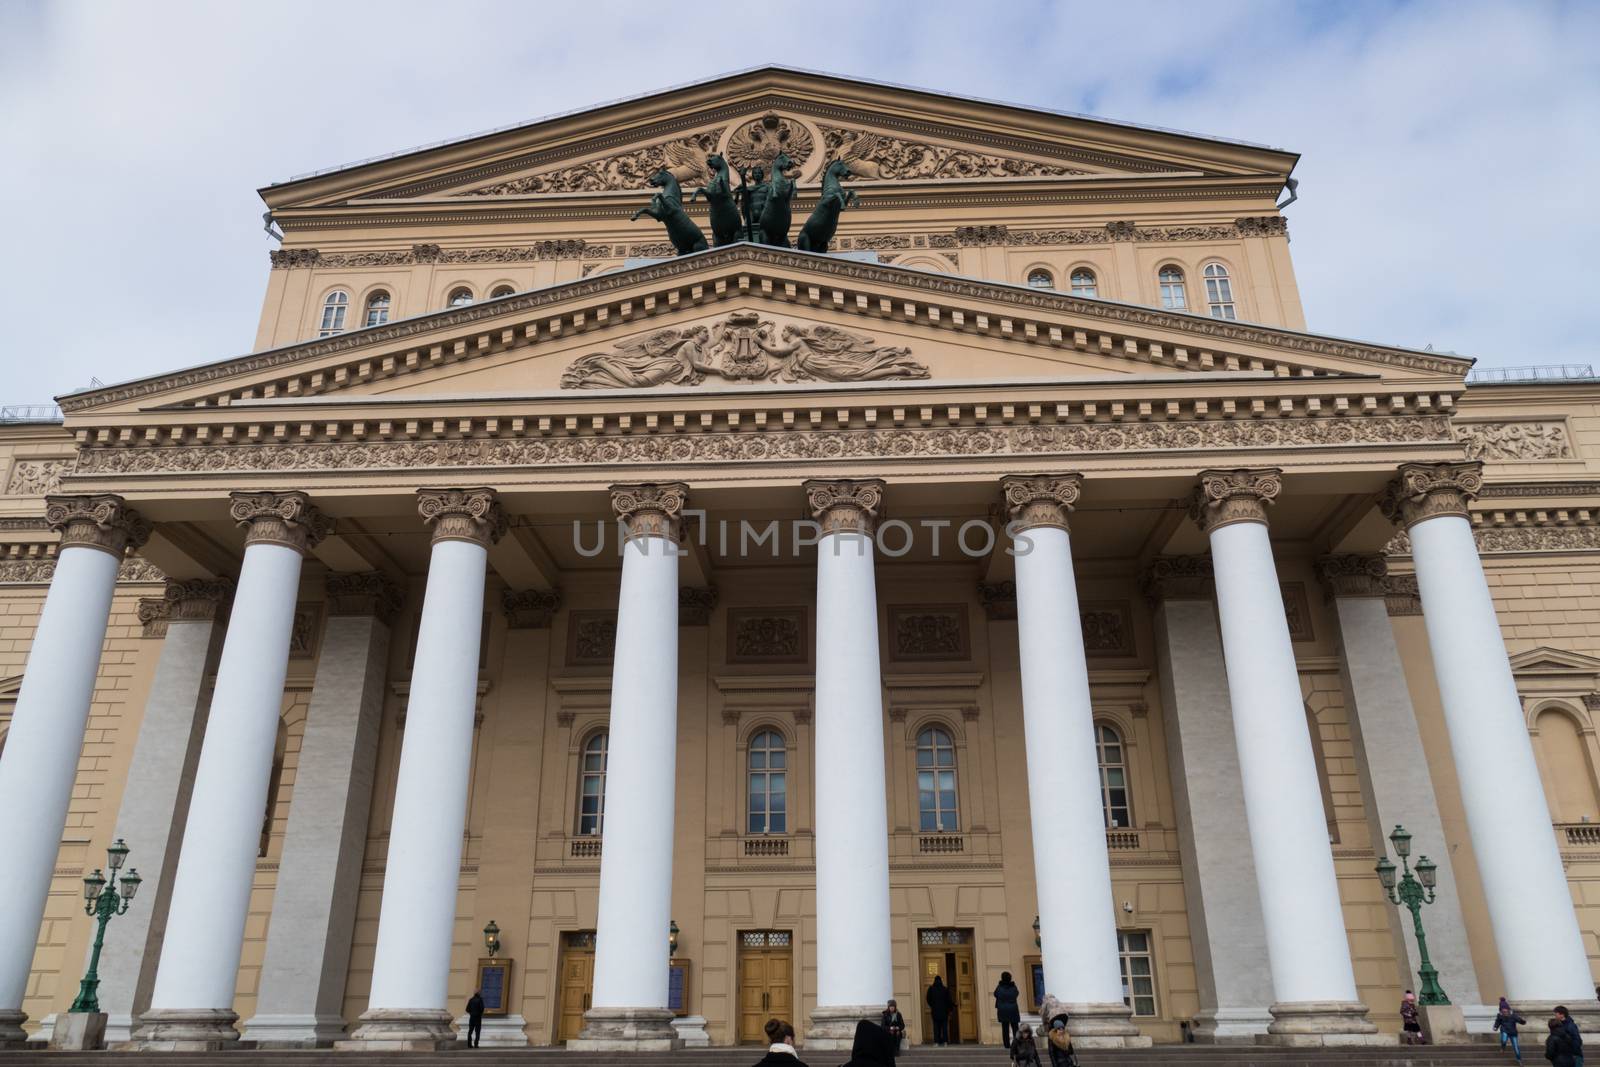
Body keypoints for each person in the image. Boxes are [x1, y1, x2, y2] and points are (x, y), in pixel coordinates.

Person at [994, 971, 1022, 1048]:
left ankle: (1006, 1045)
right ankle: (1016, 1044)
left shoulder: (999, 987)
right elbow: (1016, 994)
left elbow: (995, 994)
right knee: (1015, 1028)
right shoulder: (1013, 987)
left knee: (1005, 1028)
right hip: (1013, 1009)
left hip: (1003, 1010)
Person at [1496, 999, 1528, 1065]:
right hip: (1504, 1030)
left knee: (1516, 1047)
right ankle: (1503, 1047)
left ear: (1508, 1009)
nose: (1504, 1010)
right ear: (1501, 1010)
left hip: (1513, 1032)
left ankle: (1519, 1060)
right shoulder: (1500, 1015)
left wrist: (1523, 1022)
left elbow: (1519, 1020)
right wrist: (1495, 1027)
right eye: (1502, 1009)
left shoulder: (1513, 1015)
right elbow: (1497, 1022)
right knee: (1504, 1040)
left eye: (1505, 1009)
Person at [926, 974, 954, 1046]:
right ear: (941, 981)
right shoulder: (945, 989)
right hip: (944, 1012)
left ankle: (936, 1042)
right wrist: (950, 1009)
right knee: (944, 1027)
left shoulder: (931, 989)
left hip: (935, 1012)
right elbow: (949, 1000)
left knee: (936, 1028)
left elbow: (928, 999)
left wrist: (932, 1005)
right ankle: (945, 1042)